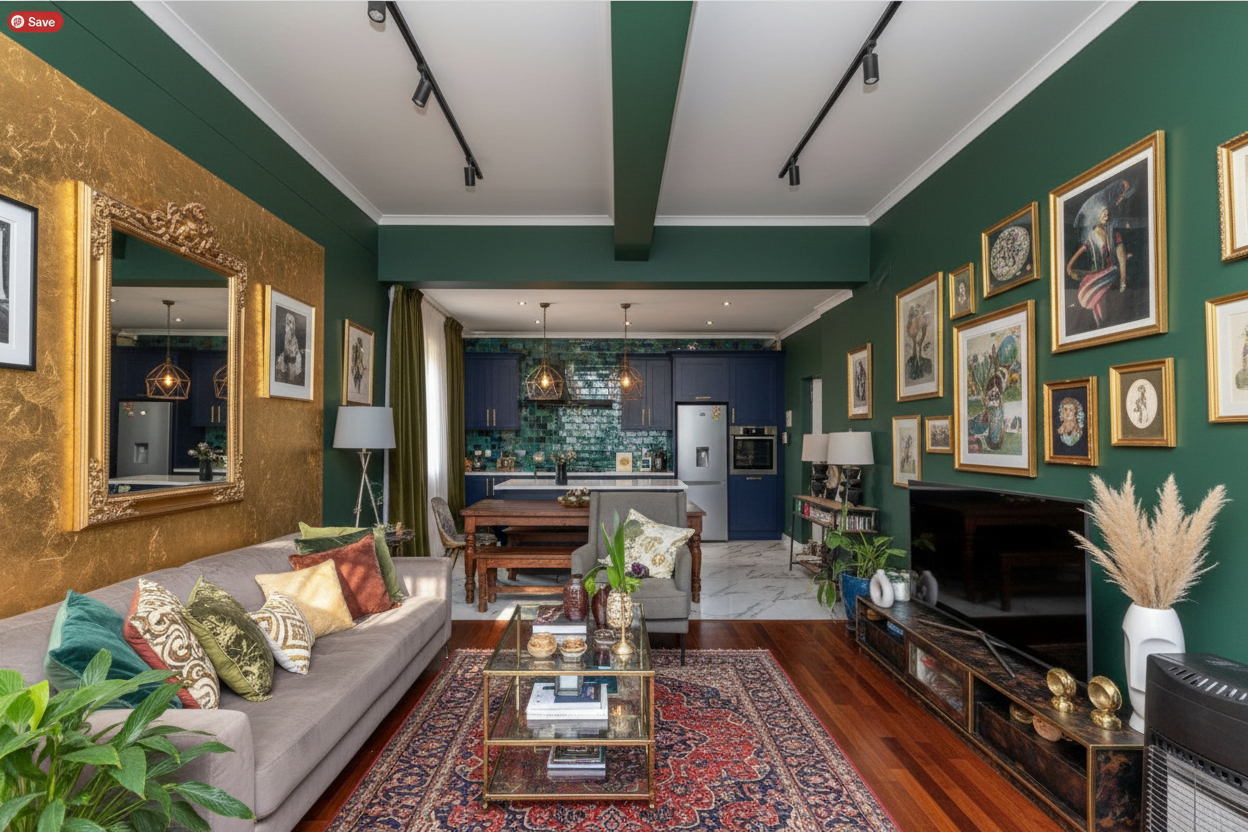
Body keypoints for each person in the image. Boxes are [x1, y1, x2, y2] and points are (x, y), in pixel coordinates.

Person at [1066, 178, 1133, 326]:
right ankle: (1101, 327)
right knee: (1099, 308)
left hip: (1110, 275)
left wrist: (1122, 281)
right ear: (1097, 215)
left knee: (1105, 308)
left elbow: (1121, 257)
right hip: (1097, 277)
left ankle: (1103, 327)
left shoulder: (1113, 235)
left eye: (1107, 214)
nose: (1106, 216)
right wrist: (1070, 268)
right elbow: (1077, 256)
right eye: (1103, 214)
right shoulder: (1091, 238)